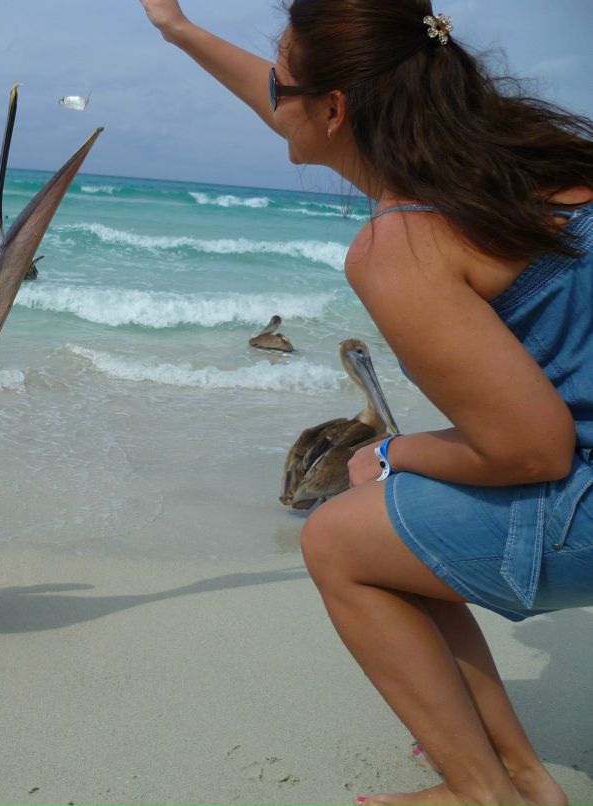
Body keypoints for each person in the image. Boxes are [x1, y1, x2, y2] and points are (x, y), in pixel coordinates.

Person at [138, 2, 593, 805]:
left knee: (344, 537)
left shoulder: (404, 238)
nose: (271, 94)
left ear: (337, 109)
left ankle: (484, 793)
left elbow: (534, 450)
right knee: (405, 516)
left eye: (283, 81)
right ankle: (520, 775)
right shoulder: (518, 158)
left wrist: (389, 452)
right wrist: (178, 30)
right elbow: (294, 100)